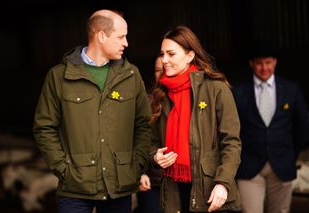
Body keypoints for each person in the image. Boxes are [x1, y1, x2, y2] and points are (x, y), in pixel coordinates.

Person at [33, 9, 151, 213]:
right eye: (121, 37)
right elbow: (44, 127)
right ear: (102, 35)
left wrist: (136, 165)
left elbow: (143, 124)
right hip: (74, 190)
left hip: (119, 187)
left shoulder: (131, 75)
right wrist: (64, 170)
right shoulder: (59, 76)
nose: (126, 43)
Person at [150, 25, 242, 213]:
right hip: (173, 192)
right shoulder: (161, 95)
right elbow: (151, 141)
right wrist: (155, 156)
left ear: (190, 56)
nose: (164, 60)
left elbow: (231, 142)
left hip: (211, 191)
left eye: (171, 54)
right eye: (162, 54)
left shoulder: (216, 88)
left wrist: (223, 183)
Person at [232, 38, 308, 213]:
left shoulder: (291, 88)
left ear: (275, 62)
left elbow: (302, 126)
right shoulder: (238, 91)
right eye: (259, 63)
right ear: (251, 63)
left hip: (282, 163)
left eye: (268, 62)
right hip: (248, 165)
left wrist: (291, 153)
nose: (264, 67)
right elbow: (231, 128)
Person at [135, 57, 164, 213]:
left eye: (165, 68)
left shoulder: (191, 99)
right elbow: (135, 139)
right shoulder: (146, 102)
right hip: (152, 181)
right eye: (158, 70)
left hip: (184, 181)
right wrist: (139, 173)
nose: (162, 73)